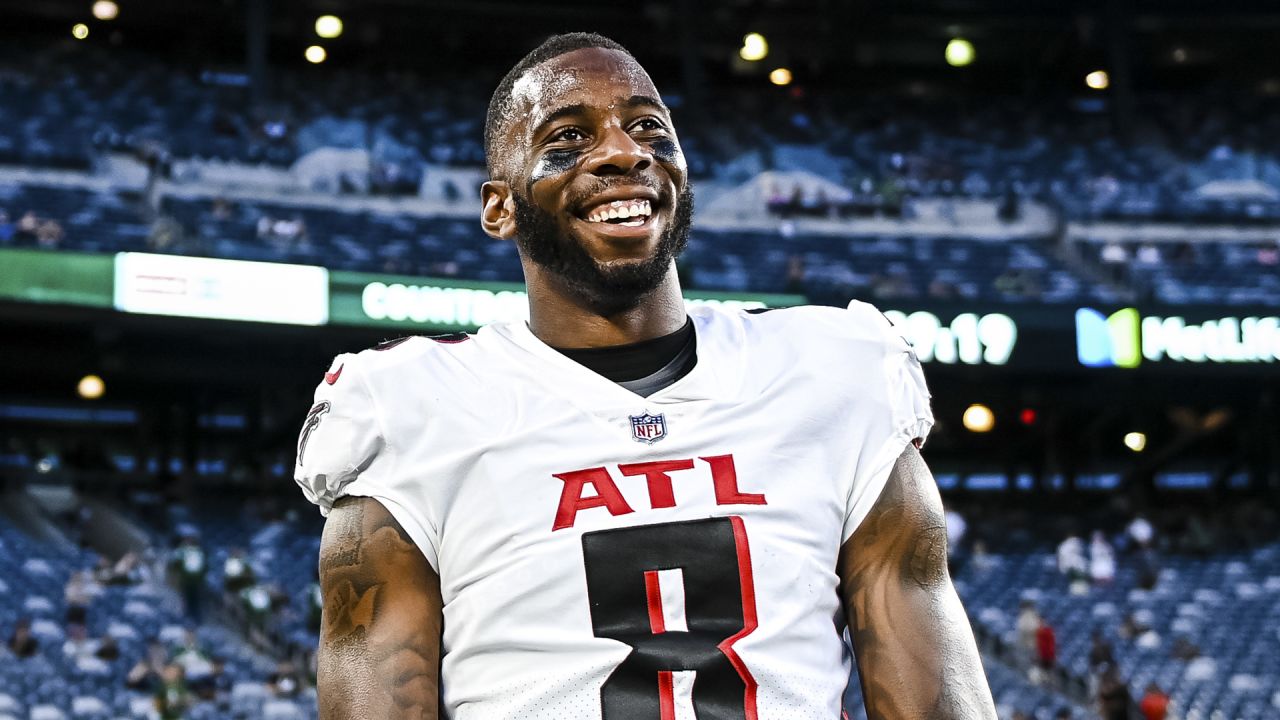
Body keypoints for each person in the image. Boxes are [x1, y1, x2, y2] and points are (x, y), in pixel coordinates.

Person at [295, 32, 995, 719]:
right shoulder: (409, 405)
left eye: (649, 128)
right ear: (499, 206)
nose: (625, 152)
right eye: (567, 138)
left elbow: (931, 687)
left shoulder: (833, 370)